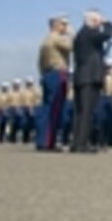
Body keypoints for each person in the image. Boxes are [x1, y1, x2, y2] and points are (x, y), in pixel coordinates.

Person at [71, 10, 112, 154]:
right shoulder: (88, 33)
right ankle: (81, 144)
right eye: (98, 21)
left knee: (81, 112)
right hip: (89, 77)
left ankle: (77, 143)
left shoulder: (82, 34)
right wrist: (108, 24)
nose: (99, 24)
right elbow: (107, 35)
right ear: (93, 21)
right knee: (86, 112)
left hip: (82, 77)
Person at [36, 14, 72, 152]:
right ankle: (49, 142)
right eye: (63, 24)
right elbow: (71, 46)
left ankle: (42, 140)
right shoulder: (56, 38)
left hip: (47, 73)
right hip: (58, 73)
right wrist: (70, 34)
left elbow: (39, 62)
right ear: (56, 25)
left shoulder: (45, 40)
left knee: (46, 108)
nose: (66, 27)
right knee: (55, 109)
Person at [21, 78, 40, 144]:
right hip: (25, 108)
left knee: (33, 124)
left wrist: (33, 108)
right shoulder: (23, 91)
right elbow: (21, 101)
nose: (29, 84)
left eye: (30, 83)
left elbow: (37, 100)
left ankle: (32, 138)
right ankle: (25, 139)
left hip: (33, 108)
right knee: (25, 124)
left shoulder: (35, 91)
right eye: (28, 83)